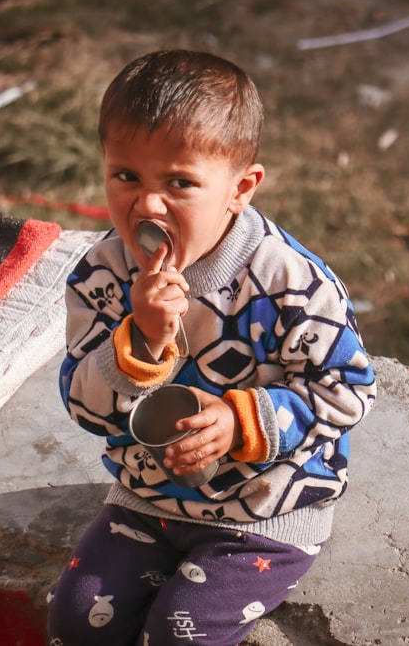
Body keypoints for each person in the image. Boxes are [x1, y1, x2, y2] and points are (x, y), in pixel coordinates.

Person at [47, 49, 376, 646]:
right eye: (127, 176)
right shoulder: (102, 275)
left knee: (182, 631)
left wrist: (243, 420)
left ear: (240, 189)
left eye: (179, 183)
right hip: (146, 498)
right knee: (76, 614)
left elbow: (348, 388)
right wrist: (142, 341)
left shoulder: (288, 285)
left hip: (265, 511)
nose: (148, 205)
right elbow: (85, 408)